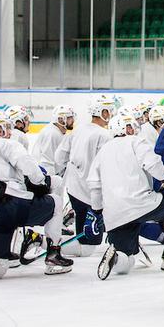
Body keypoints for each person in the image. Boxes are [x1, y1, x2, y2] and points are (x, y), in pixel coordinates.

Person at [0, 111, 72, 278]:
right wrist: (42, 182)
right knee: (56, 201)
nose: (9, 132)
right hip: (14, 203)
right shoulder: (8, 144)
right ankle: (53, 254)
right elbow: (29, 167)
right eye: (5, 128)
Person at [88, 113, 164, 279]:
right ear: (124, 128)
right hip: (142, 205)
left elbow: (94, 183)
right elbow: (153, 164)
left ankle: (116, 255)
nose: (134, 129)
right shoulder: (135, 141)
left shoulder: (103, 151)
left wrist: (98, 210)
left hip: (114, 215)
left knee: (126, 264)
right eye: (130, 126)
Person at [54, 94, 115, 257]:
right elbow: (107, 167)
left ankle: (54, 242)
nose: (110, 113)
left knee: (84, 238)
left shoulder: (78, 129)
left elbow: (59, 157)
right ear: (101, 112)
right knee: (90, 243)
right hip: (92, 194)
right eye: (108, 110)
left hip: (73, 190)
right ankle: (49, 244)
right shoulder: (104, 136)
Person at [31, 105, 74, 175]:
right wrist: (50, 181)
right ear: (60, 119)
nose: (73, 120)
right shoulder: (51, 134)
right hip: (44, 177)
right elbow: (46, 163)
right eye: (70, 118)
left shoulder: (59, 132)